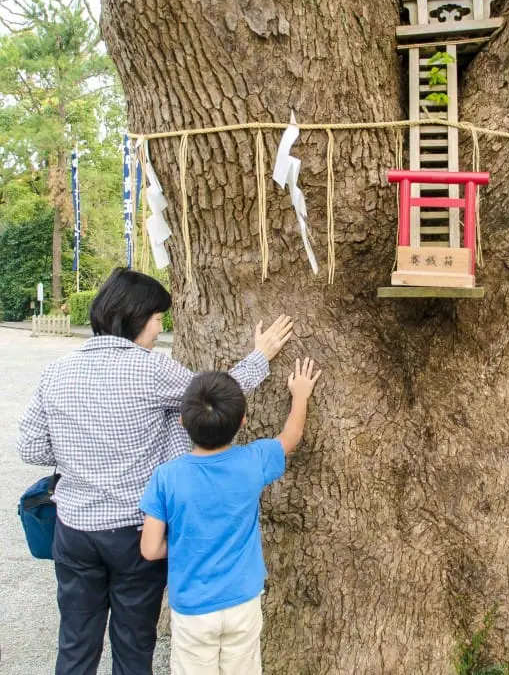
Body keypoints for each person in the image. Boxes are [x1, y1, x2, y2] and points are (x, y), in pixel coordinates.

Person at [17, 267, 293, 675]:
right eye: (157, 319)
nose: (158, 328)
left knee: (75, 641)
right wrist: (260, 357)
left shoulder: (56, 372)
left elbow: (31, 447)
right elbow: (212, 399)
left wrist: (81, 453)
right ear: (136, 318)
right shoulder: (150, 369)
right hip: (134, 532)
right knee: (133, 644)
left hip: (74, 530)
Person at [139, 357, 321, 675]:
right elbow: (290, 437)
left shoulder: (166, 476)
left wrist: (180, 541)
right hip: (242, 600)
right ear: (242, 422)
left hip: (193, 607)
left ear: (182, 421)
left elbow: (150, 548)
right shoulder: (253, 462)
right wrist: (301, 396)